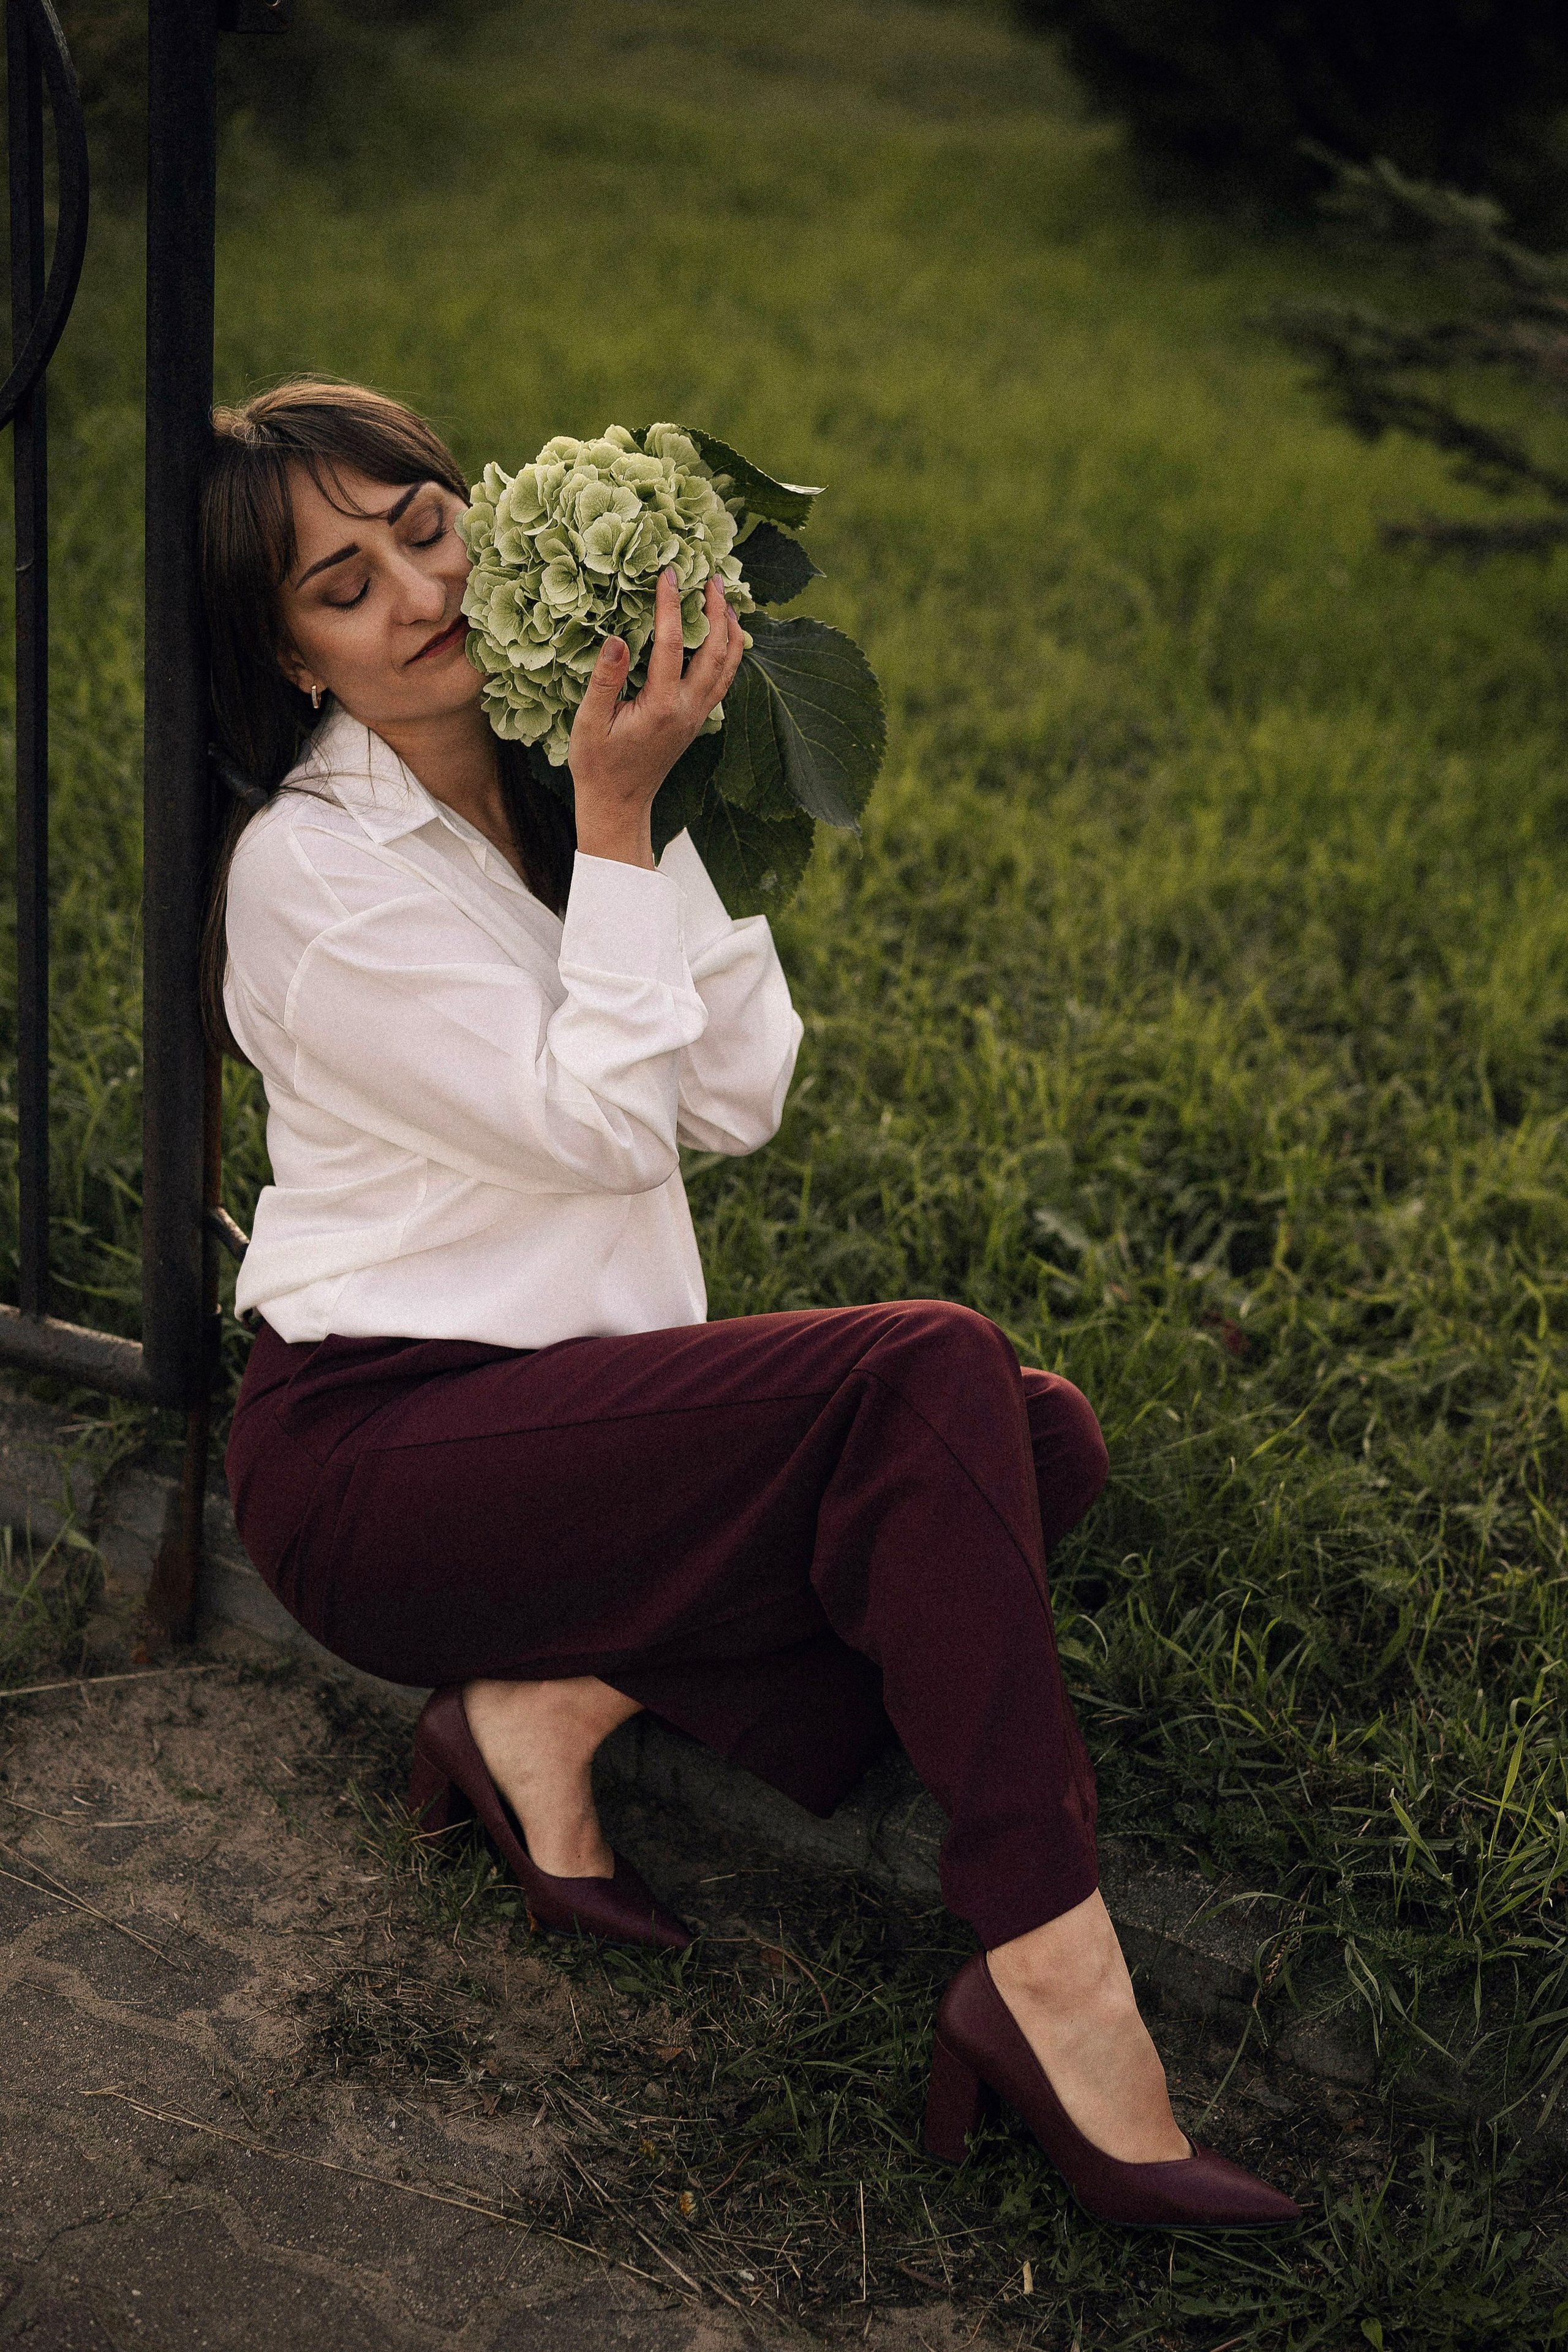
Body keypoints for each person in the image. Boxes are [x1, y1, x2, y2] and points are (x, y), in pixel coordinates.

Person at [203, 377, 1296, 2233]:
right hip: (376, 1456)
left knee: (1032, 1439)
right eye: (339, 582)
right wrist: (622, 816)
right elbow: (613, 1129)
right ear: (294, 661)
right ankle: (1055, 1986)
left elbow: (738, 1094)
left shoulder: (568, 780)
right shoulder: (309, 882)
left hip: (572, 1424)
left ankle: (541, 1715)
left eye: (425, 526)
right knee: (932, 1375)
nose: (410, 588)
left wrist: (645, 797)